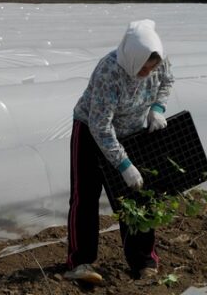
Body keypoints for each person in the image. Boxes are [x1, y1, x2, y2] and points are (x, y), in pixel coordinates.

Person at [65, 19, 174, 284]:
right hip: (91, 132)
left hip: (132, 132)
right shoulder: (109, 71)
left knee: (139, 198)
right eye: (143, 68)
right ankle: (81, 262)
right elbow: (100, 126)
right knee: (86, 197)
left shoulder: (159, 62)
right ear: (132, 59)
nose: (148, 72)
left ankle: (144, 261)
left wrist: (158, 108)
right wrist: (124, 165)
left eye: (152, 68)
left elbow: (167, 81)